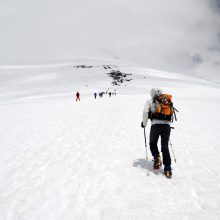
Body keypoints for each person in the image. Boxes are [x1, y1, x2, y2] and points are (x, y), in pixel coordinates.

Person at [141, 88, 172, 178]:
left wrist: (144, 123)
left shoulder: (150, 101)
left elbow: (145, 112)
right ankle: (168, 168)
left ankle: (156, 157)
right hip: (167, 126)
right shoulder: (166, 100)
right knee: (165, 146)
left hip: (155, 125)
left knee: (153, 143)